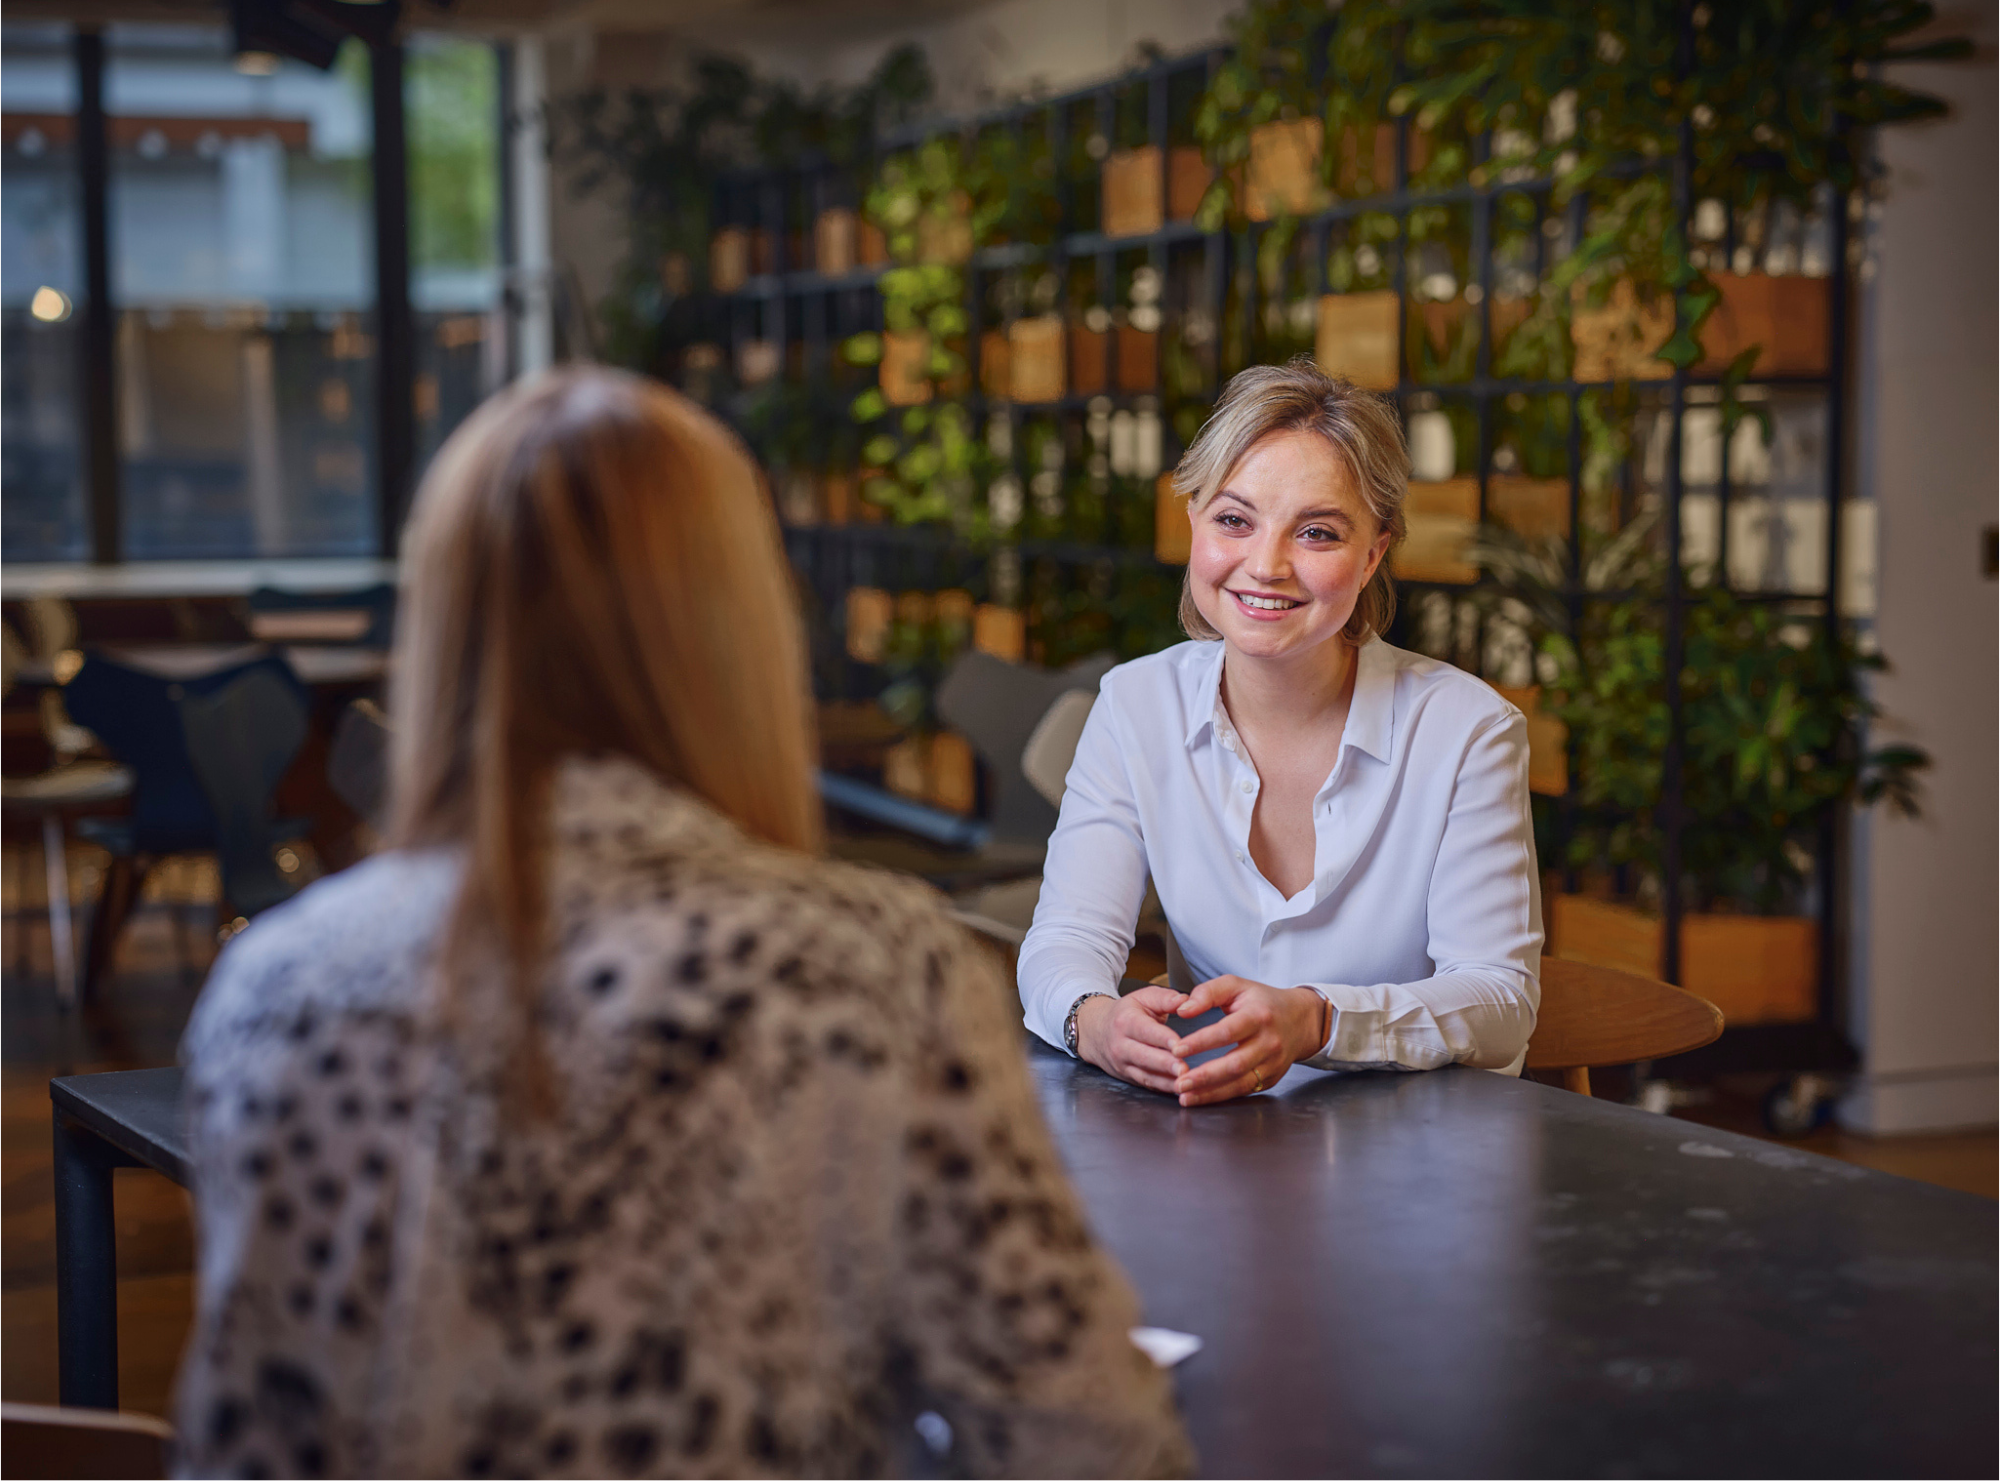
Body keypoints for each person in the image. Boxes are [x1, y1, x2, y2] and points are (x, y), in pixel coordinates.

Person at [172, 368, 1192, 1479]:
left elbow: (247, 1442)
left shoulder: (272, 988)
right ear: (739, 627)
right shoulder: (869, 970)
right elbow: (1083, 1438)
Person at [1017, 359, 1542, 1107]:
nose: (1265, 566)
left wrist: (1321, 1021)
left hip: (1419, 1161)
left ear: (1374, 554)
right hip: (1211, 1144)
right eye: (1234, 519)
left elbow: (1499, 1000)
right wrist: (1094, 1022)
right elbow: (1064, 938)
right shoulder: (1136, 704)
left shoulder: (1468, 731)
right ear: (1195, 519)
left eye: (1317, 532)